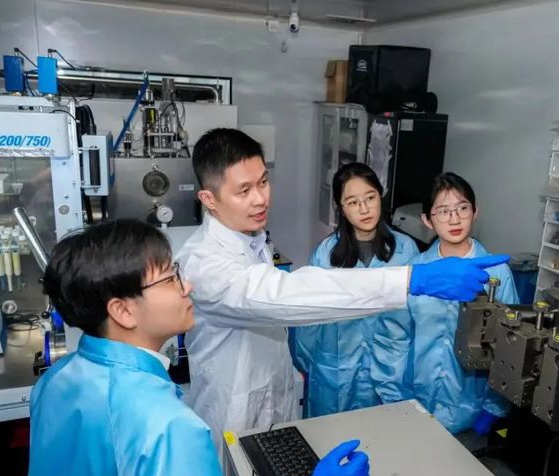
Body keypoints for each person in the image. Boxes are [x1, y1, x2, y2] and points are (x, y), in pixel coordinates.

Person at [29, 219, 371, 476]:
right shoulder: (166, 426)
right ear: (123, 310)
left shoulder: (56, 380)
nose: (187, 285)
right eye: (169, 278)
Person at [176, 128, 509, 443]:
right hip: (234, 413)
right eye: (244, 190)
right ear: (209, 199)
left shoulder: (252, 242)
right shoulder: (205, 263)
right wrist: (411, 279)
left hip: (278, 402)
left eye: (263, 181)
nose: (261, 198)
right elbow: (288, 296)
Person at [294, 163, 419, 416]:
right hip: (336, 372)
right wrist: (308, 364)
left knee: (387, 436)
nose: (364, 209)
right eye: (352, 202)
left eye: (370, 198)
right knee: (331, 435)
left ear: (380, 196)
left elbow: (417, 315)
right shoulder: (326, 254)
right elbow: (307, 322)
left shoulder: (406, 250)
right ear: (341, 208)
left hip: (390, 371)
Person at [408, 172, 520, 435]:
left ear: (475, 211)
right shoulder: (416, 272)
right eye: (443, 211)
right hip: (417, 397)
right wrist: (396, 392)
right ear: (427, 220)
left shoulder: (497, 273)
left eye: (462, 208)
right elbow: (398, 337)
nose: (455, 219)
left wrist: (494, 407)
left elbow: (509, 346)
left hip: (470, 405)